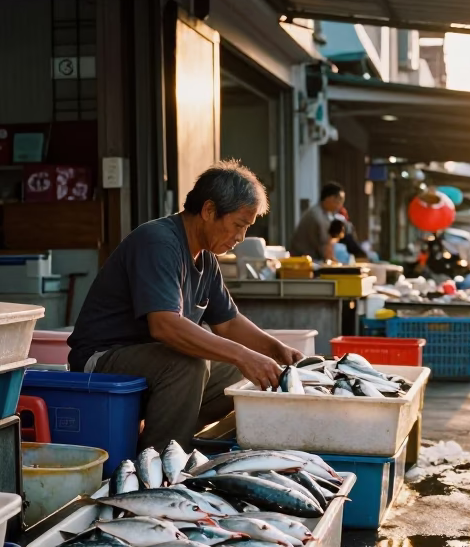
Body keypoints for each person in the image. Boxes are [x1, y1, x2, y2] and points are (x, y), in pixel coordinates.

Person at [67, 161, 302, 453]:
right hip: (101, 360)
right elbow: (164, 326)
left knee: (236, 373)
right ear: (209, 211)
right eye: (239, 225)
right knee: (190, 364)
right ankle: (158, 465)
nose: (240, 238)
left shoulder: (206, 258)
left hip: (151, 362)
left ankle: (176, 439)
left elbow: (228, 323)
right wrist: (244, 355)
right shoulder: (158, 242)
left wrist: (275, 350)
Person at [290, 182, 346, 260]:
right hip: (305, 262)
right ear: (329, 198)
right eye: (339, 200)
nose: (340, 205)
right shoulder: (317, 216)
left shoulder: (324, 214)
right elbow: (325, 248)